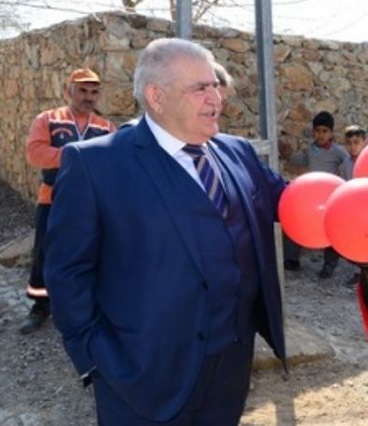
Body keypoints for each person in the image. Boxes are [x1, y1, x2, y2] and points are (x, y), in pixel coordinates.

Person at [43, 38, 287, 425]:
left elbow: (294, 202)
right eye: (200, 88)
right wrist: (93, 358)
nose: (216, 98)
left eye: (214, 85)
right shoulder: (95, 164)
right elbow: (66, 271)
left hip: (230, 368)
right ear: (156, 97)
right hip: (139, 377)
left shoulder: (237, 152)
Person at [20, 68, 116, 335]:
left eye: (94, 92)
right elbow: (35, 152)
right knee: (44, 252)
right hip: (53, 198)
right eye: (83, 91)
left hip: (91, 203)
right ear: (68, 91)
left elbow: (114, 161)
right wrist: (75, 155)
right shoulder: (48, 119)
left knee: (91, 253)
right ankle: (40, 306)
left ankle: (87, 305)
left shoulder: (106, 127)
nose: (89, 97)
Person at [284, 111, 353, 278]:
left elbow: (349, 166)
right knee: (293, 219)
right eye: (318, 131)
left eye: (325, 131)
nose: (321, 135)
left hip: (329, 199)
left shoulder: (338, 152)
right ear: (313, 131)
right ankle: (292, 260)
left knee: (332, 229)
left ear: (331, 133)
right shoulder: (311, 150)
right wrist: (294, 163)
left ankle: (329, 264)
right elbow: (291, 164)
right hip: (310, 199)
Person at [341, 124, 368, 288]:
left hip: (367, 205)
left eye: (356, 142)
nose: (353, 146)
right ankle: (358, 273)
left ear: (365, 142)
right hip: (353, 205)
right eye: (349, 143)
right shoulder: (346, 163)